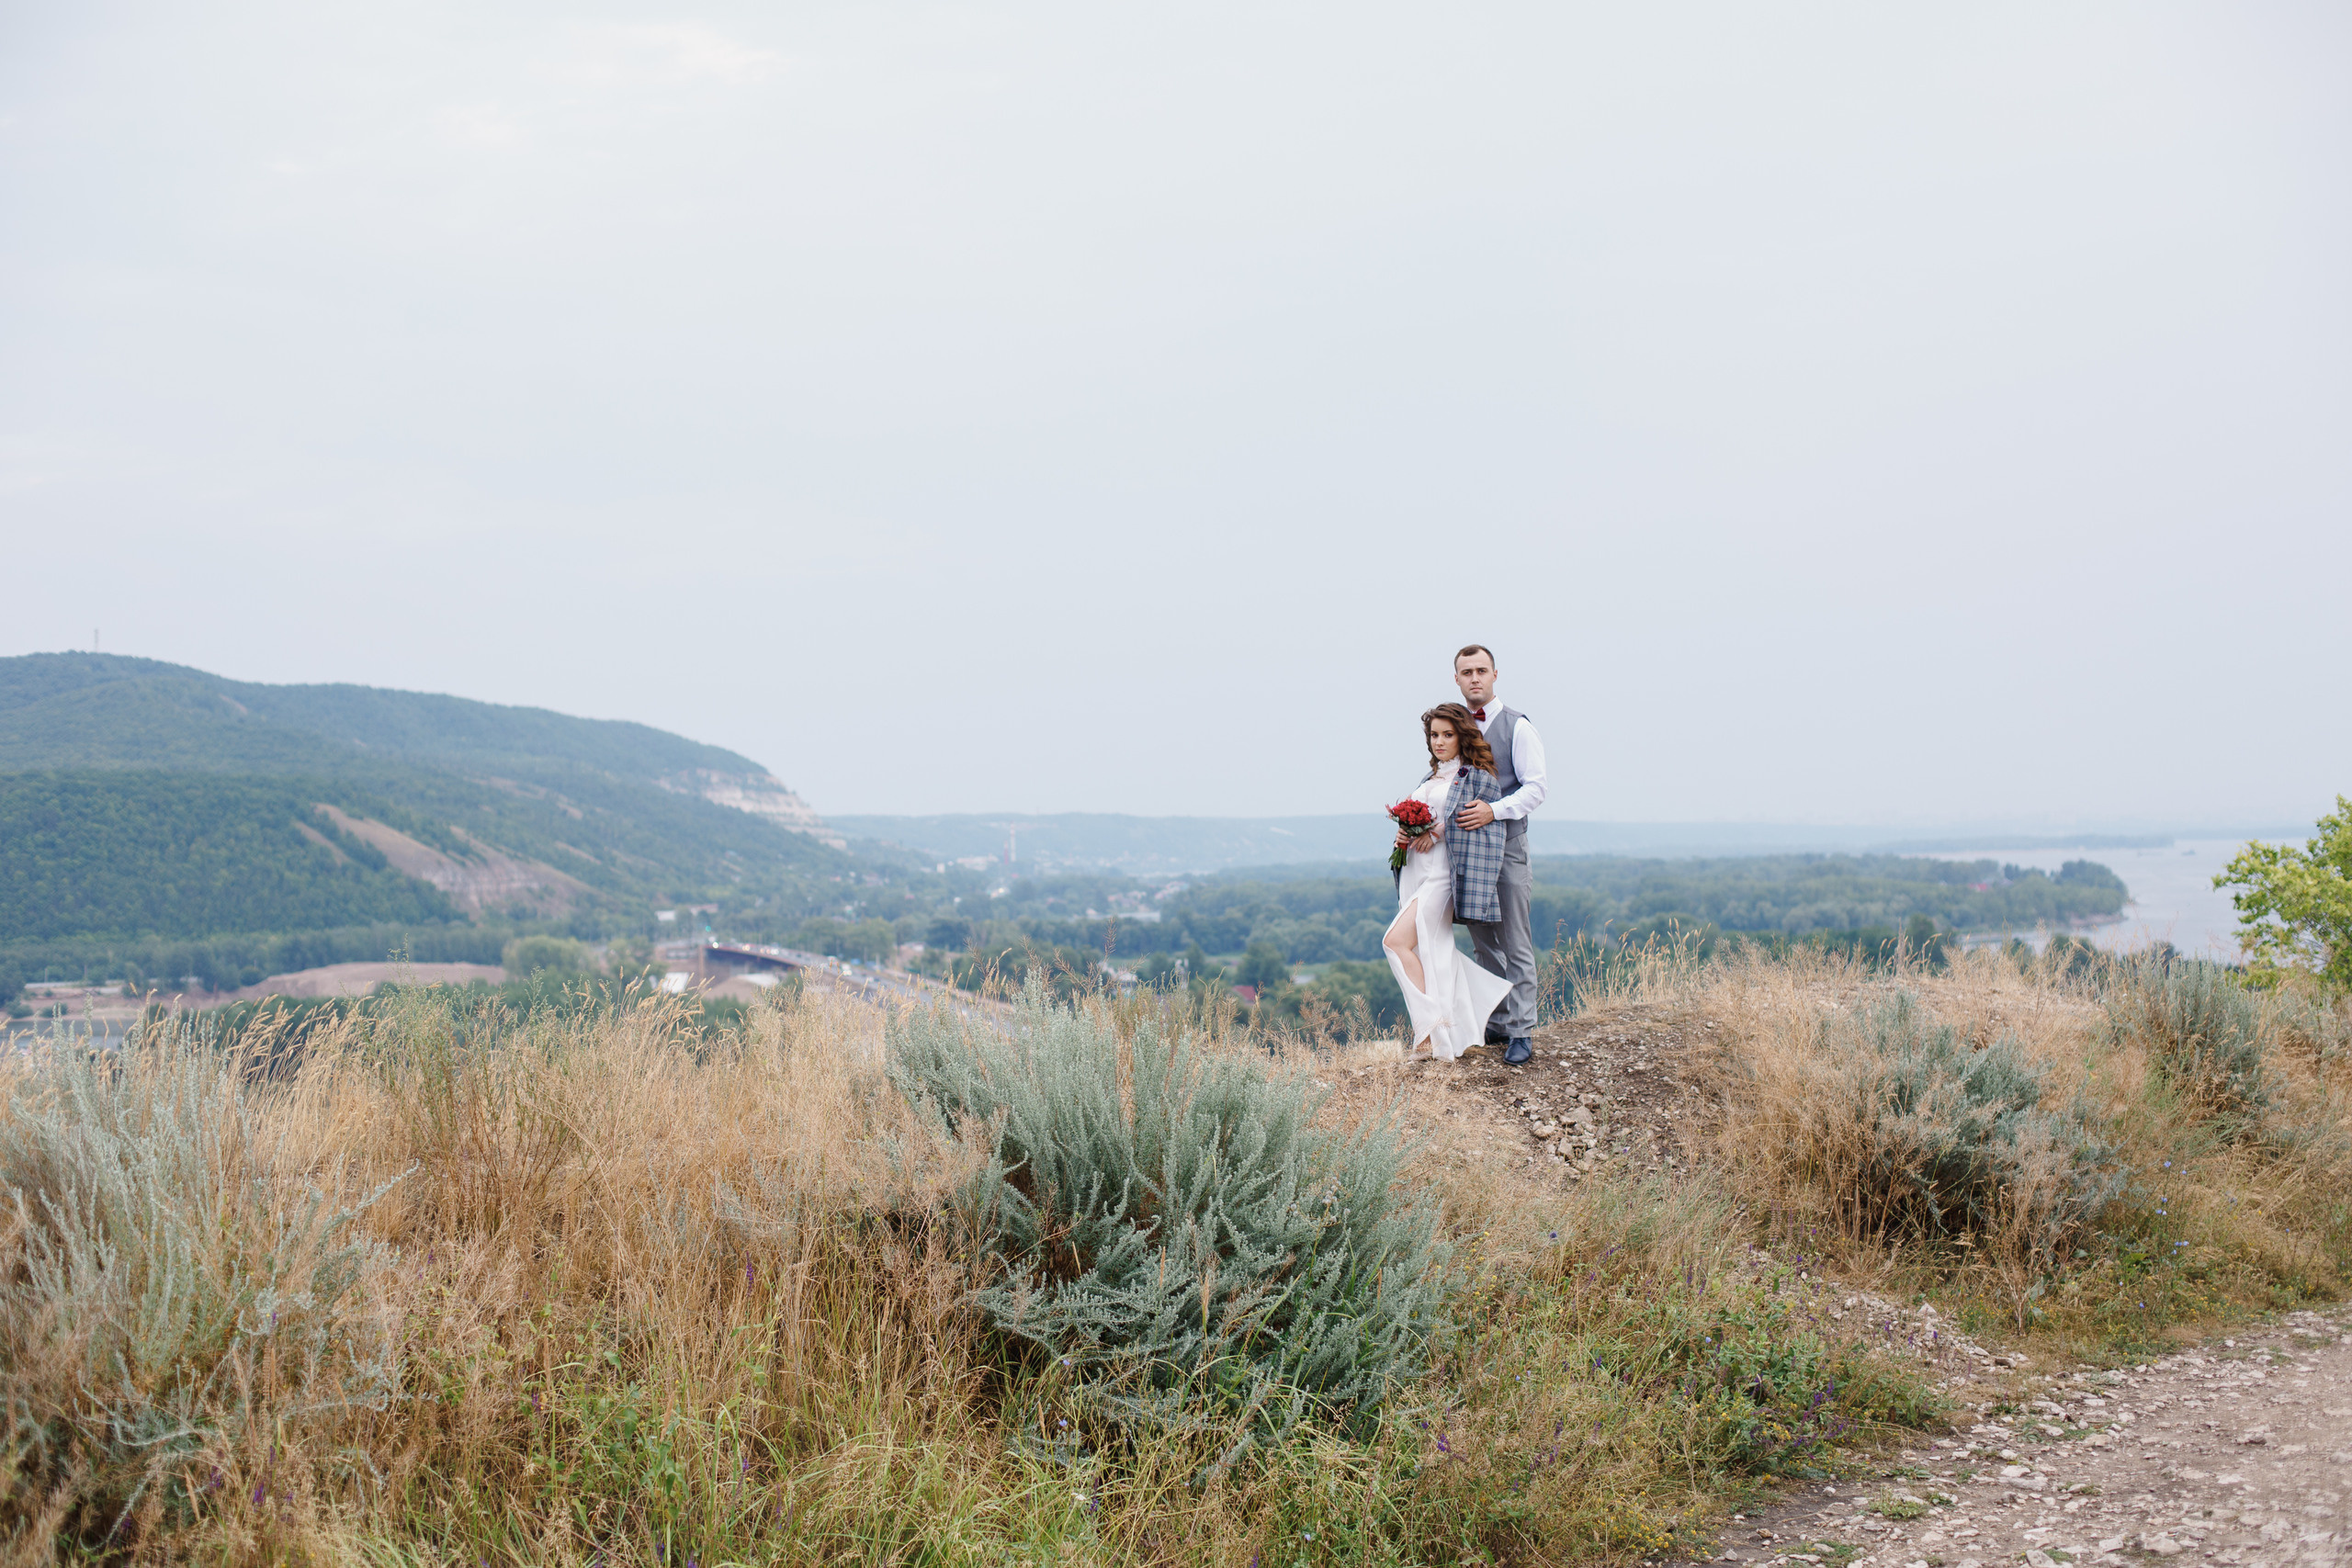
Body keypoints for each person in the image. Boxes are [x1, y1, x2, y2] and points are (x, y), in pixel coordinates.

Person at [1382, 703, 1513, 1062]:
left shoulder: (1478, 777)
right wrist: (1404, 834)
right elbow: (1418, 821)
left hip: (1443, 874)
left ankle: (1428, 1034)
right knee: (1433, 950)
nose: (1439, 742)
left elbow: (1484, 829)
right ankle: (1440, 1038)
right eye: (1434, 735)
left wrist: (1437, 831)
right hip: (1416, 870)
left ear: (1462, 736)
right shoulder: (1428, 779)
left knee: (1395, 942)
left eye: (1447, 734)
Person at [1450, 644, 1546, 1065]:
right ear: (1456, 679)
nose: (1474, 678)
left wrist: (1494, 810)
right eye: (1466, 672)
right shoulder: (1453, 726)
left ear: (1494, 675)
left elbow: (1536, 788)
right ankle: (1499, 1021)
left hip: (1507, 847)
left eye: (1481, 670)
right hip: (1468, 852)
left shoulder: (1517, 727)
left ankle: (1521, 1031)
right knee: (1483, 943)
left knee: (1515, 941)